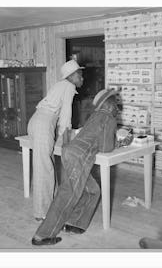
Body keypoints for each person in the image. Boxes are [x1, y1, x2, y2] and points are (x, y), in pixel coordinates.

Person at [31, 89, 119, 246]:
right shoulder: (108, 118)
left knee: (93, 191)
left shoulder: (96, 116)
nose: (117, 107)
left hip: (70, 152)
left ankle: (75, 223)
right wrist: (118, 142)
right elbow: (106, 147)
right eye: (115, 103)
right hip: (79, 158)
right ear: (109, 105)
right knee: (66, 195)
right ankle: (42, 235)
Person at [27, 60, 84, 221]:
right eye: (80, 75)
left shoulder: (60, 85)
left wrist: (62, 137)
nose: (82, 78)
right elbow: (65, 116)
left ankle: (49, 206)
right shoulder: (69, 86)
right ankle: (42, 213)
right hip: (43, 125)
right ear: (72, 76)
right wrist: (66, 143)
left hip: (37, 121)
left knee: (46, 165)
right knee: (44, 168)